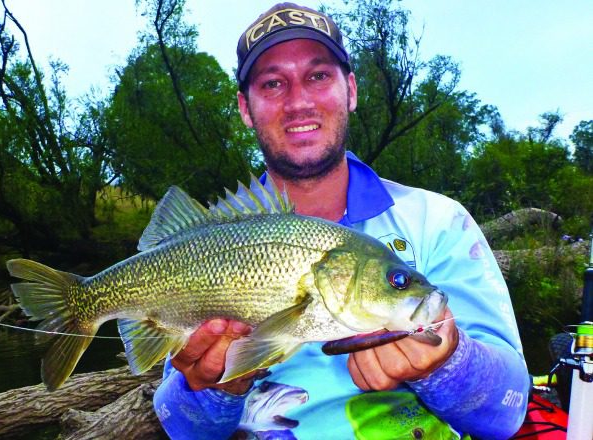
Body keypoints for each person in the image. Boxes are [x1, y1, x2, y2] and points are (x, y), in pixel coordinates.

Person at [153, 3, 529, 439]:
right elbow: (181, 429)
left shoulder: (439, 222)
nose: (299, 101)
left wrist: (448, 364)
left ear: (350, 89)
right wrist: (221, 385)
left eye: (318, 76)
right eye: (273, 83)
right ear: (245, 107)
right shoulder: (210, 241)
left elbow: (507, 414)